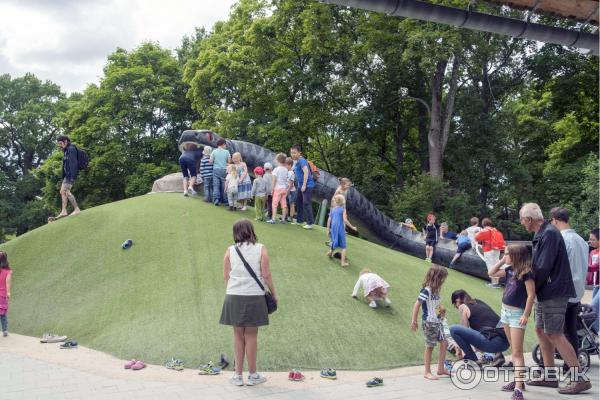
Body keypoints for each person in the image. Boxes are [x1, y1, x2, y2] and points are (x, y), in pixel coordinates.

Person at [519, 202, 590, 394]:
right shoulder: (543, 233)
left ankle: (579, 378)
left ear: (529, 219)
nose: (522, 224)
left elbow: (543, 267)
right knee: (542, 330)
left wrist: (528, 285)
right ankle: (550, 376)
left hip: (554, 291)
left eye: (522, 220)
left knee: (554, 333)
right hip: (547, 291)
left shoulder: (549, 233)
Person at [219, 219, 277, 386]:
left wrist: (234, 290)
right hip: (254, 296)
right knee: (251, 335)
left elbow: (226, 277)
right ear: (251, 231)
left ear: (235, 232)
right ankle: (252, 375)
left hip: (233, 295)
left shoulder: (230, 250)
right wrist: (274, 294)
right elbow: (266, 275)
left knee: (238, 335)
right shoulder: (261, 249)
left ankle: (237, 376)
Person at [488, 244, 536, 399]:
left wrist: (526, 315)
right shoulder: (509, 270)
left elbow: (531, 295)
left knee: (517, 352)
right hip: (505, 313)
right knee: (513, 350)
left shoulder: (526, 273)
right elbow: (491, 272)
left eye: (506, 254)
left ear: (515, 255)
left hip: (517, 314)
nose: (504, 256)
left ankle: (518, 390)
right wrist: (502, 260)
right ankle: (518, 381)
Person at [550, 207, 589, 359]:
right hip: (577, 291)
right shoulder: (581, 240)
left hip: (563, 291)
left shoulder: (562, 239)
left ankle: (566, 365)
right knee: (571, 329)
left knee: (557, 331)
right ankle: (571, 366)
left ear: (555, 220)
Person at [449, 290, 509, 367]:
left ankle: (473, 360)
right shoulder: (479, 302)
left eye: (455, 304)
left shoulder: (464, 307)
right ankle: (498, 356)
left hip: (494, 344)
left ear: (458, 300)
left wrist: (457, 348)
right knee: (486, 331)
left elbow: (463, 330)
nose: (456, 307)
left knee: (454, 329)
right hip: (506, 343)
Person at [410, 264, 450, 380]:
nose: (444, 281)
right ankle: (427, 372)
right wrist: (414, 321)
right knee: (430, 346)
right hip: (429, 322)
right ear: (438, 278)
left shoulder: (436, 291)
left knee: (444, 343)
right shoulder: (426, 290)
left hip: (438, 321)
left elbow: (435, 305)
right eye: (443, 279)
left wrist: (441, 312)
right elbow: (417, 304)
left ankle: (441, 369)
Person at [326, 195, 357, 267]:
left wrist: (328, 229)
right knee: (344, 246)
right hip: (340, 228)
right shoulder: (343, 209)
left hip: (333, 228)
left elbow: (329, 219)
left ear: (336, 201)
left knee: (334, 241)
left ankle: (330, 253)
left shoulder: (332, 209)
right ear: (343, 202)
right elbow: (345, 220)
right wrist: (352, 227)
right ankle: (343, 262)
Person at [55, 135, 81, 219]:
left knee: (66, 191)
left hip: (70, 174)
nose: (60, 145)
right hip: (67, 175)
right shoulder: (66, 150)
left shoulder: (71, 149)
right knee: (62, 191)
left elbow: (74, 163)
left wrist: (73, 176)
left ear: (65, 141)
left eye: (60, 143)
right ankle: (64, 211)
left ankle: (76, 209)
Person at [475, 218, 505, 289]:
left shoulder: (485, 231)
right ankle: (496, 283)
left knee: (490, 266)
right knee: (496, 264)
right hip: (497, 250)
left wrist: (476, 233)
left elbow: (477, 238)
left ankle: (493, 283)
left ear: (483, 224)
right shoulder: (495, 230)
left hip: (489, 250)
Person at [290, 145, 315, 230]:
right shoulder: (296, 161)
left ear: (299, 153)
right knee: (298, 201)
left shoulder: (302, 161)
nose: (292, 154)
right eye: (291, 152)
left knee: (306, 203)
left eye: (294, 153)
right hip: (301, 185)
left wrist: (304, 185)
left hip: (307, 185)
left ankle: (310, 223)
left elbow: (306, 172)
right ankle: (299, 220)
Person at [210, 139, 231, 206]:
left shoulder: (214, 151)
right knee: (224, 185)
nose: (225, 146)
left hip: (216, 169)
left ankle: (216, 199)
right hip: (224, 170)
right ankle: (225, 201)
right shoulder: (227, 152)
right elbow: (229, 161)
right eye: (225, 145)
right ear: (223, 144)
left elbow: (211, 161)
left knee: (216, 185)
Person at [269, 153, 289, 224]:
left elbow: (274, 180)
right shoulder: (286, 170)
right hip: (284, 189)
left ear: (278, 160)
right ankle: (283, 219)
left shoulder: (276, 169)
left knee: (274, 204)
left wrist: (272, 189)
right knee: (284, 204)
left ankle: (273, 219)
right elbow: (287, 179)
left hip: (277, 188)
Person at [588, 228, 599, 334]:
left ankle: (595, 332)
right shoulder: (592, 252)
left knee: (593, 307)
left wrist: (584, 267)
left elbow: (596, 267)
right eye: (590, 239)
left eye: (593, 239)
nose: (590, 241)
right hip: (596, 285)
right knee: (595, 309)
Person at [0, 251, 12, 337]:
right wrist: (8, 293)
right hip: (2, 295)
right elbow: (7, 283)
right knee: (3, 314)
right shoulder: (8, 272)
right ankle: (5, 330)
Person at [285, 158, 297, 223]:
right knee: (286, 203)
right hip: (286, 190)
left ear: (290, 165)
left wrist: (288, 191)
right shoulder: (286, 171)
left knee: (291, 204)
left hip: (291, 191)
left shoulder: (292, 173)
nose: (285, 166)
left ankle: (291, 217)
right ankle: (286, 215)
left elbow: (291, 184)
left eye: (286, 165)